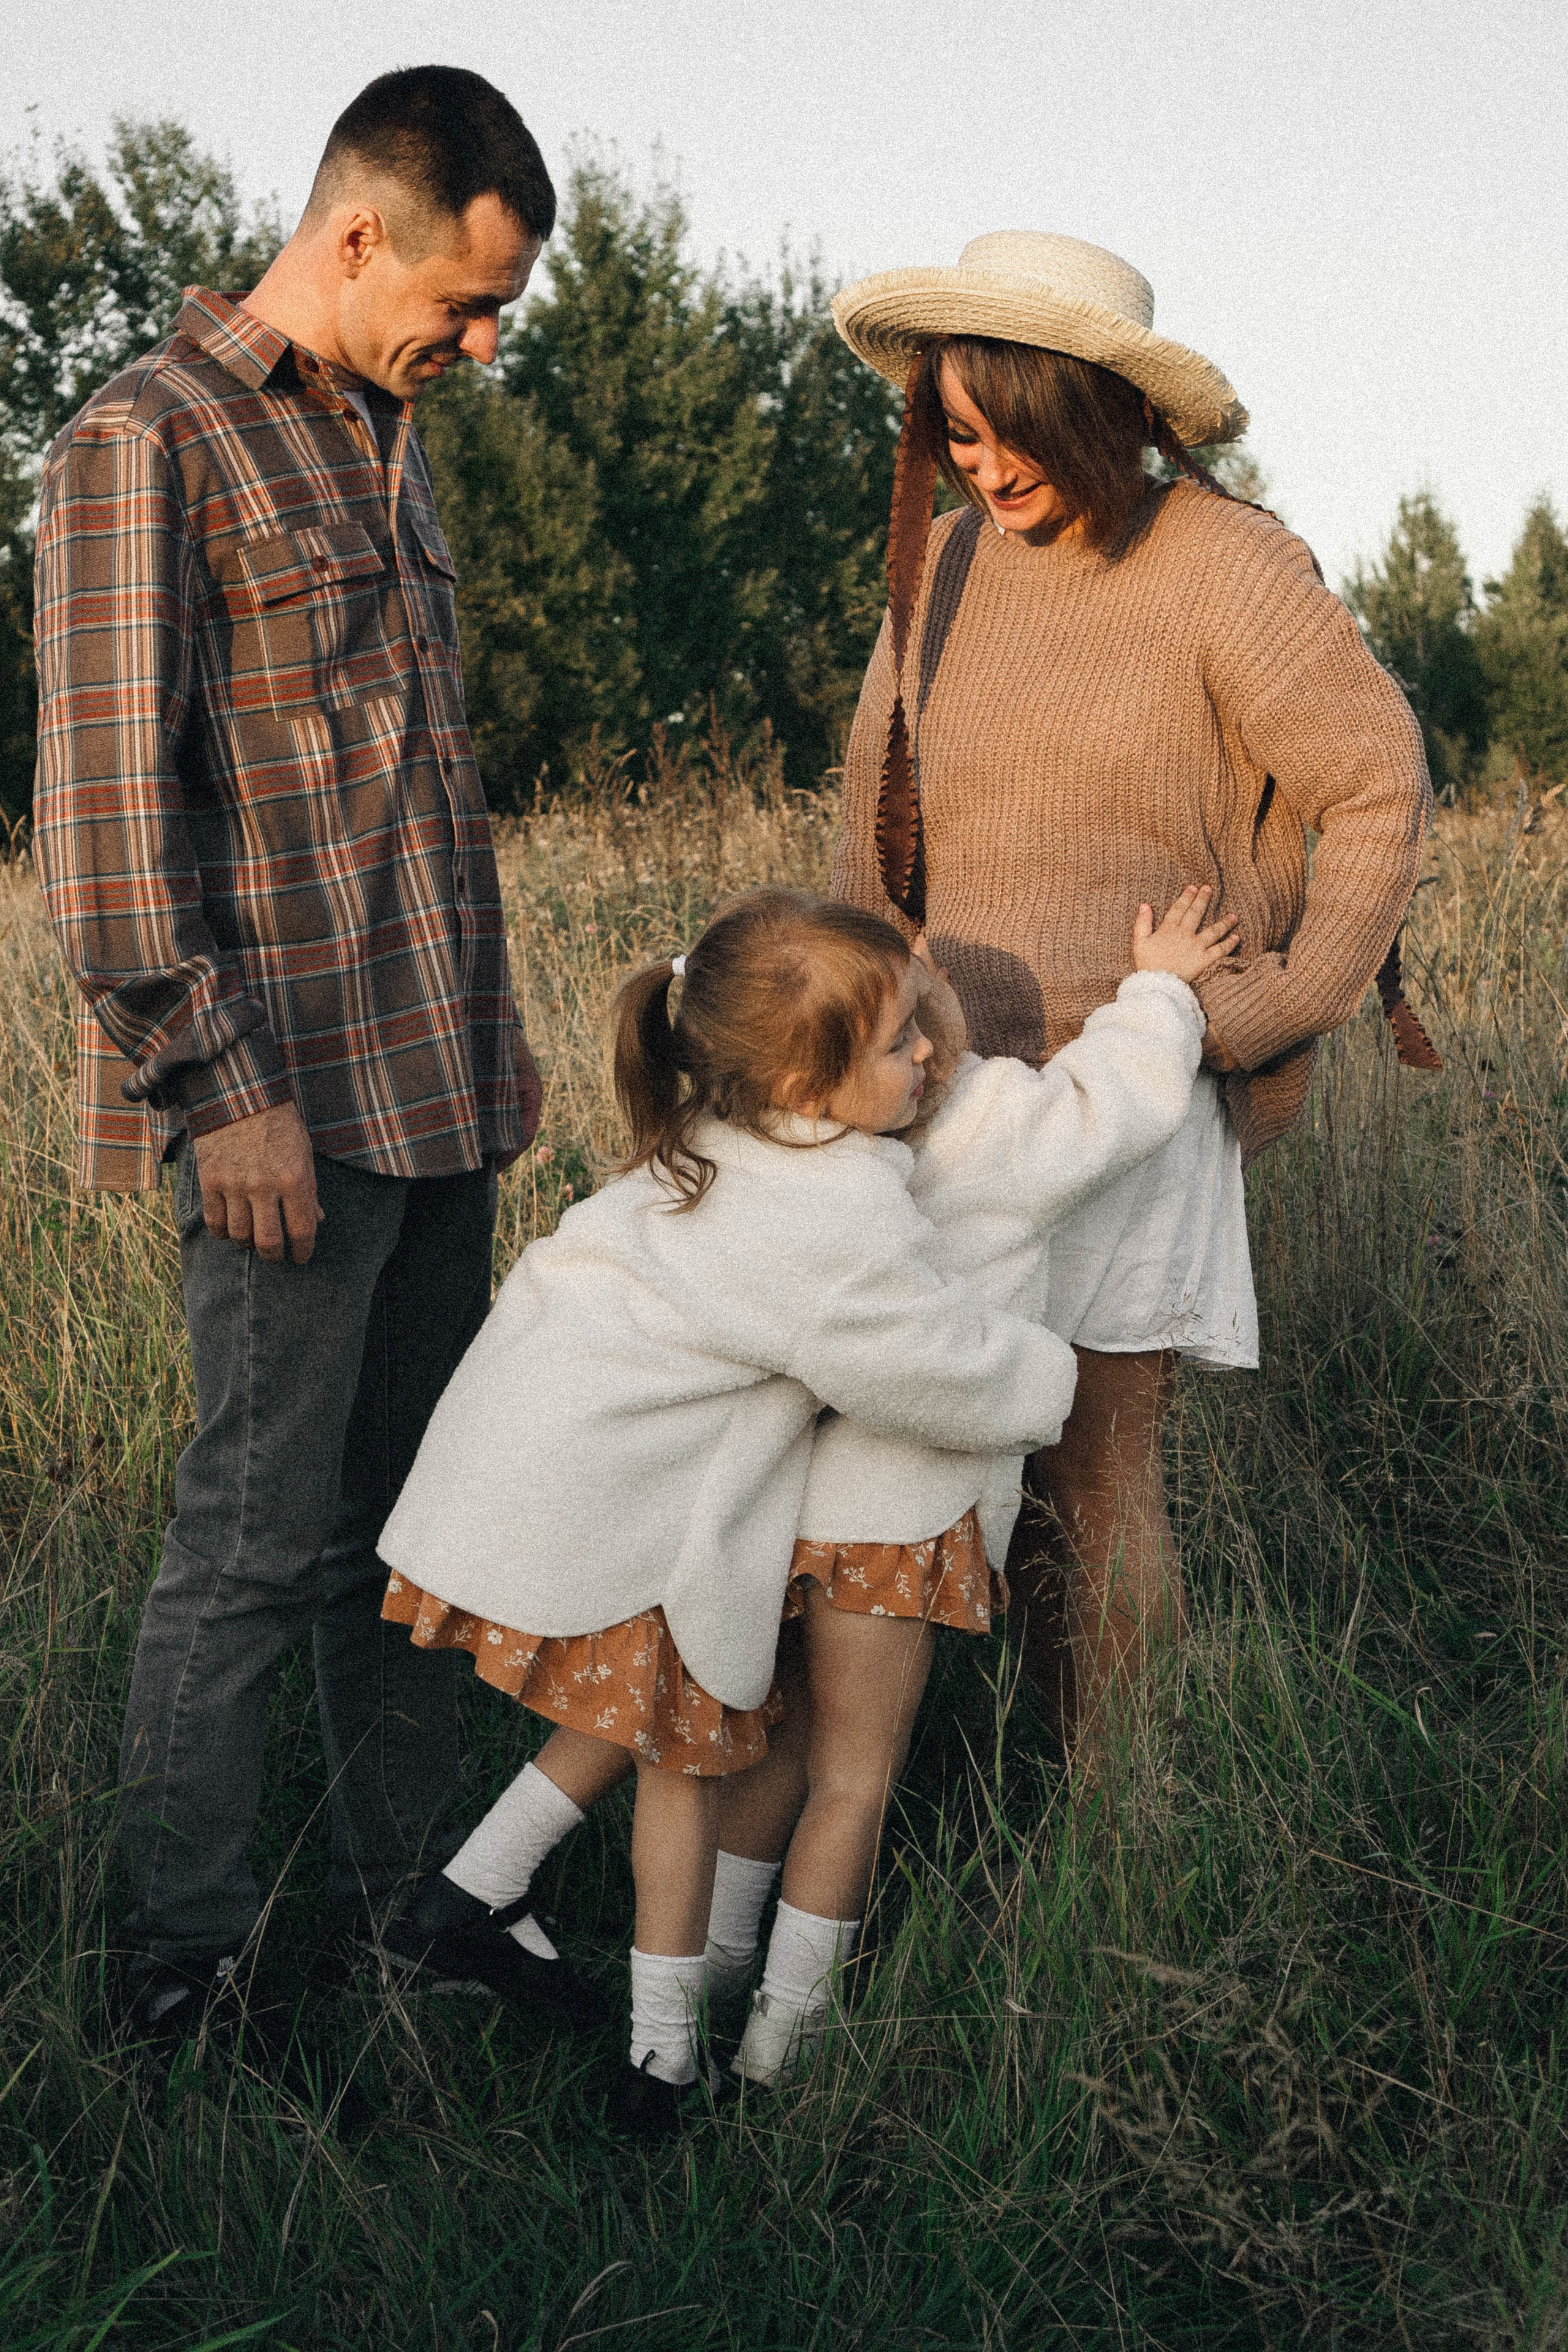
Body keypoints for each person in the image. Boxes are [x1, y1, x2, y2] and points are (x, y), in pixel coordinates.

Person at [31, 66, 556, 2069]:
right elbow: (102, 820)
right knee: (254, 1547)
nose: (486, 343)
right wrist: (209, 1080)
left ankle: (393, 1906)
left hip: (441, 1099)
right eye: (470, 297)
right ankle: (179, 1969)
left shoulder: (391, 444)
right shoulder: (138, 447)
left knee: (407, 1540)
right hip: (282, 1117)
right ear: (356, 236)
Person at [825, 232, 1434, 1752]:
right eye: (954, 434)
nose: (983, 466)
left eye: (1011, 430)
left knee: (1092, 1474)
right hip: (949, 1101)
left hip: (1138, 1089)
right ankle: (969, 1793)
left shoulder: (1224, 561)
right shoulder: (943, 564)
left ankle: (1117, 1844)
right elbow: (869, 829)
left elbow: (1376, 786)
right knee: (946, 1462)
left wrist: (1262, 1011)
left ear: (1093, 406)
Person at [375, 887, 1081, 2138]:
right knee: (688, 1752)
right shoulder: (829, 1212)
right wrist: (1048, 1379)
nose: (926, 1056)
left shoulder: (723, 1121)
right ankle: (659, 2067)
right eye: (896, 1042)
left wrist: (905, 993)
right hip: (616, 1495)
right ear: (808, 1080)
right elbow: (920, 1367)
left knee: (642, 1717)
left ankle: (474, 1893)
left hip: (535, 1457)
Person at [709, 888, 1238, 2083]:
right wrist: (1156, 984)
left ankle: (703, 1976)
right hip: (902, 1527)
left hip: (782, 1508)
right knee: (853, 1779)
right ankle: (781, 2049)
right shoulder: (992, 1120)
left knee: (776, 1747)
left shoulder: (789, 1131)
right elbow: (1119, 1102)